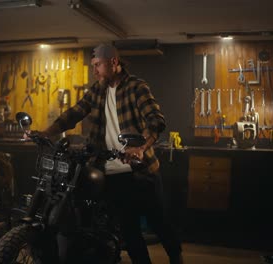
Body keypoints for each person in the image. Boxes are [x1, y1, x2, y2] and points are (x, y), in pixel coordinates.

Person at [36, 44, 183, 264]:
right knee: (129, 229)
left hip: (141, 171)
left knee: (158, 222)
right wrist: (46, 133)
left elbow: (155, 120)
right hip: (111, 171)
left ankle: (176, 257)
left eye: (98, 65)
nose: (94, 71)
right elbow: (74, 113)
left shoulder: (136, 87)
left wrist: (140, 147)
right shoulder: (98, 90)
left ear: (114, 62)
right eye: (93, 66)